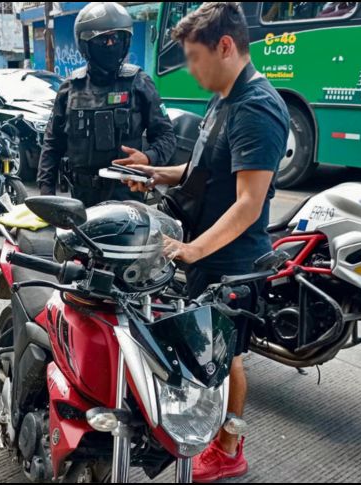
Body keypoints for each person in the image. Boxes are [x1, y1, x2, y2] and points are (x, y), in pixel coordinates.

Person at [124, 3, 289, 481]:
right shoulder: (224, 97)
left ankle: (230, 448)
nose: (190, 68)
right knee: (205, 353)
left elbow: (249, 203)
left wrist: (193, 250)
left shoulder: (257, 109)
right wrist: (154, 173)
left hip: (233, 259)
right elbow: (203, 170)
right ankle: (204, 428)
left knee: (228, 357)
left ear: (225, 46)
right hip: (207, 250)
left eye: (194, 57)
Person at [36, 2, 176, 207]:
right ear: (85, 44)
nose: (111, 44)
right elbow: (52, 143)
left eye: (116, 38)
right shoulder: (70, 89)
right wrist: (46, 193)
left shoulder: (139, 83)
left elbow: (166, 135)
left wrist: (148, 157)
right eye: (102, 39)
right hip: (82, 199)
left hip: (127, 196)